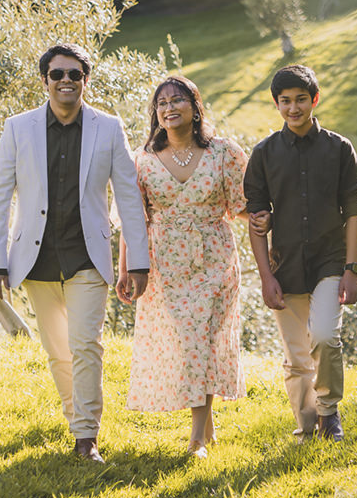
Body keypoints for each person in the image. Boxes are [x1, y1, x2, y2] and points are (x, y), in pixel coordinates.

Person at [0, 43, 150, 464]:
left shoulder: (108, 128)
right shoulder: (17, 128)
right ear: (45, 81)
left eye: (74, 74)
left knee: (85, 345)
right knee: (58, 350)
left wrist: (139, 261)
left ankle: (85, 437)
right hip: (35, 260)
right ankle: (76, 417)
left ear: (85, 80)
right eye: (57, 74)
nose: (66, 81)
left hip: (87, 257)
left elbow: (129, 197)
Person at [117, 76, 259, 459]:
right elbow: (134, 219)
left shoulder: (224, 153)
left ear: (195, 107)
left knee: (204, 339)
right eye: (161, 103)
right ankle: (207, 427)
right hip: (165, 263)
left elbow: (242, 206)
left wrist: (270, 219)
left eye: (177, 100)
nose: (169, 107)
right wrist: (125, 268)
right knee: (187, 343)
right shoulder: (142, 161)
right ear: (156, 113)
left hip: (215, 258)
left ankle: (197, 438)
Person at [243, 64, 357, 442]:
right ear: (276, 104)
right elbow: (256, 220)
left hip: (330, 261)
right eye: (285, 101)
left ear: (314, 100)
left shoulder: (339, 148)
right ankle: (307, 425)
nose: (293, 108)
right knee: (296, 357)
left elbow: (354, 212)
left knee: (325, 336)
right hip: (286, 266)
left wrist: (352, 269)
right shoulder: (263, 154)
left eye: (300, 100)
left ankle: (329, 413)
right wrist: (265, 276)